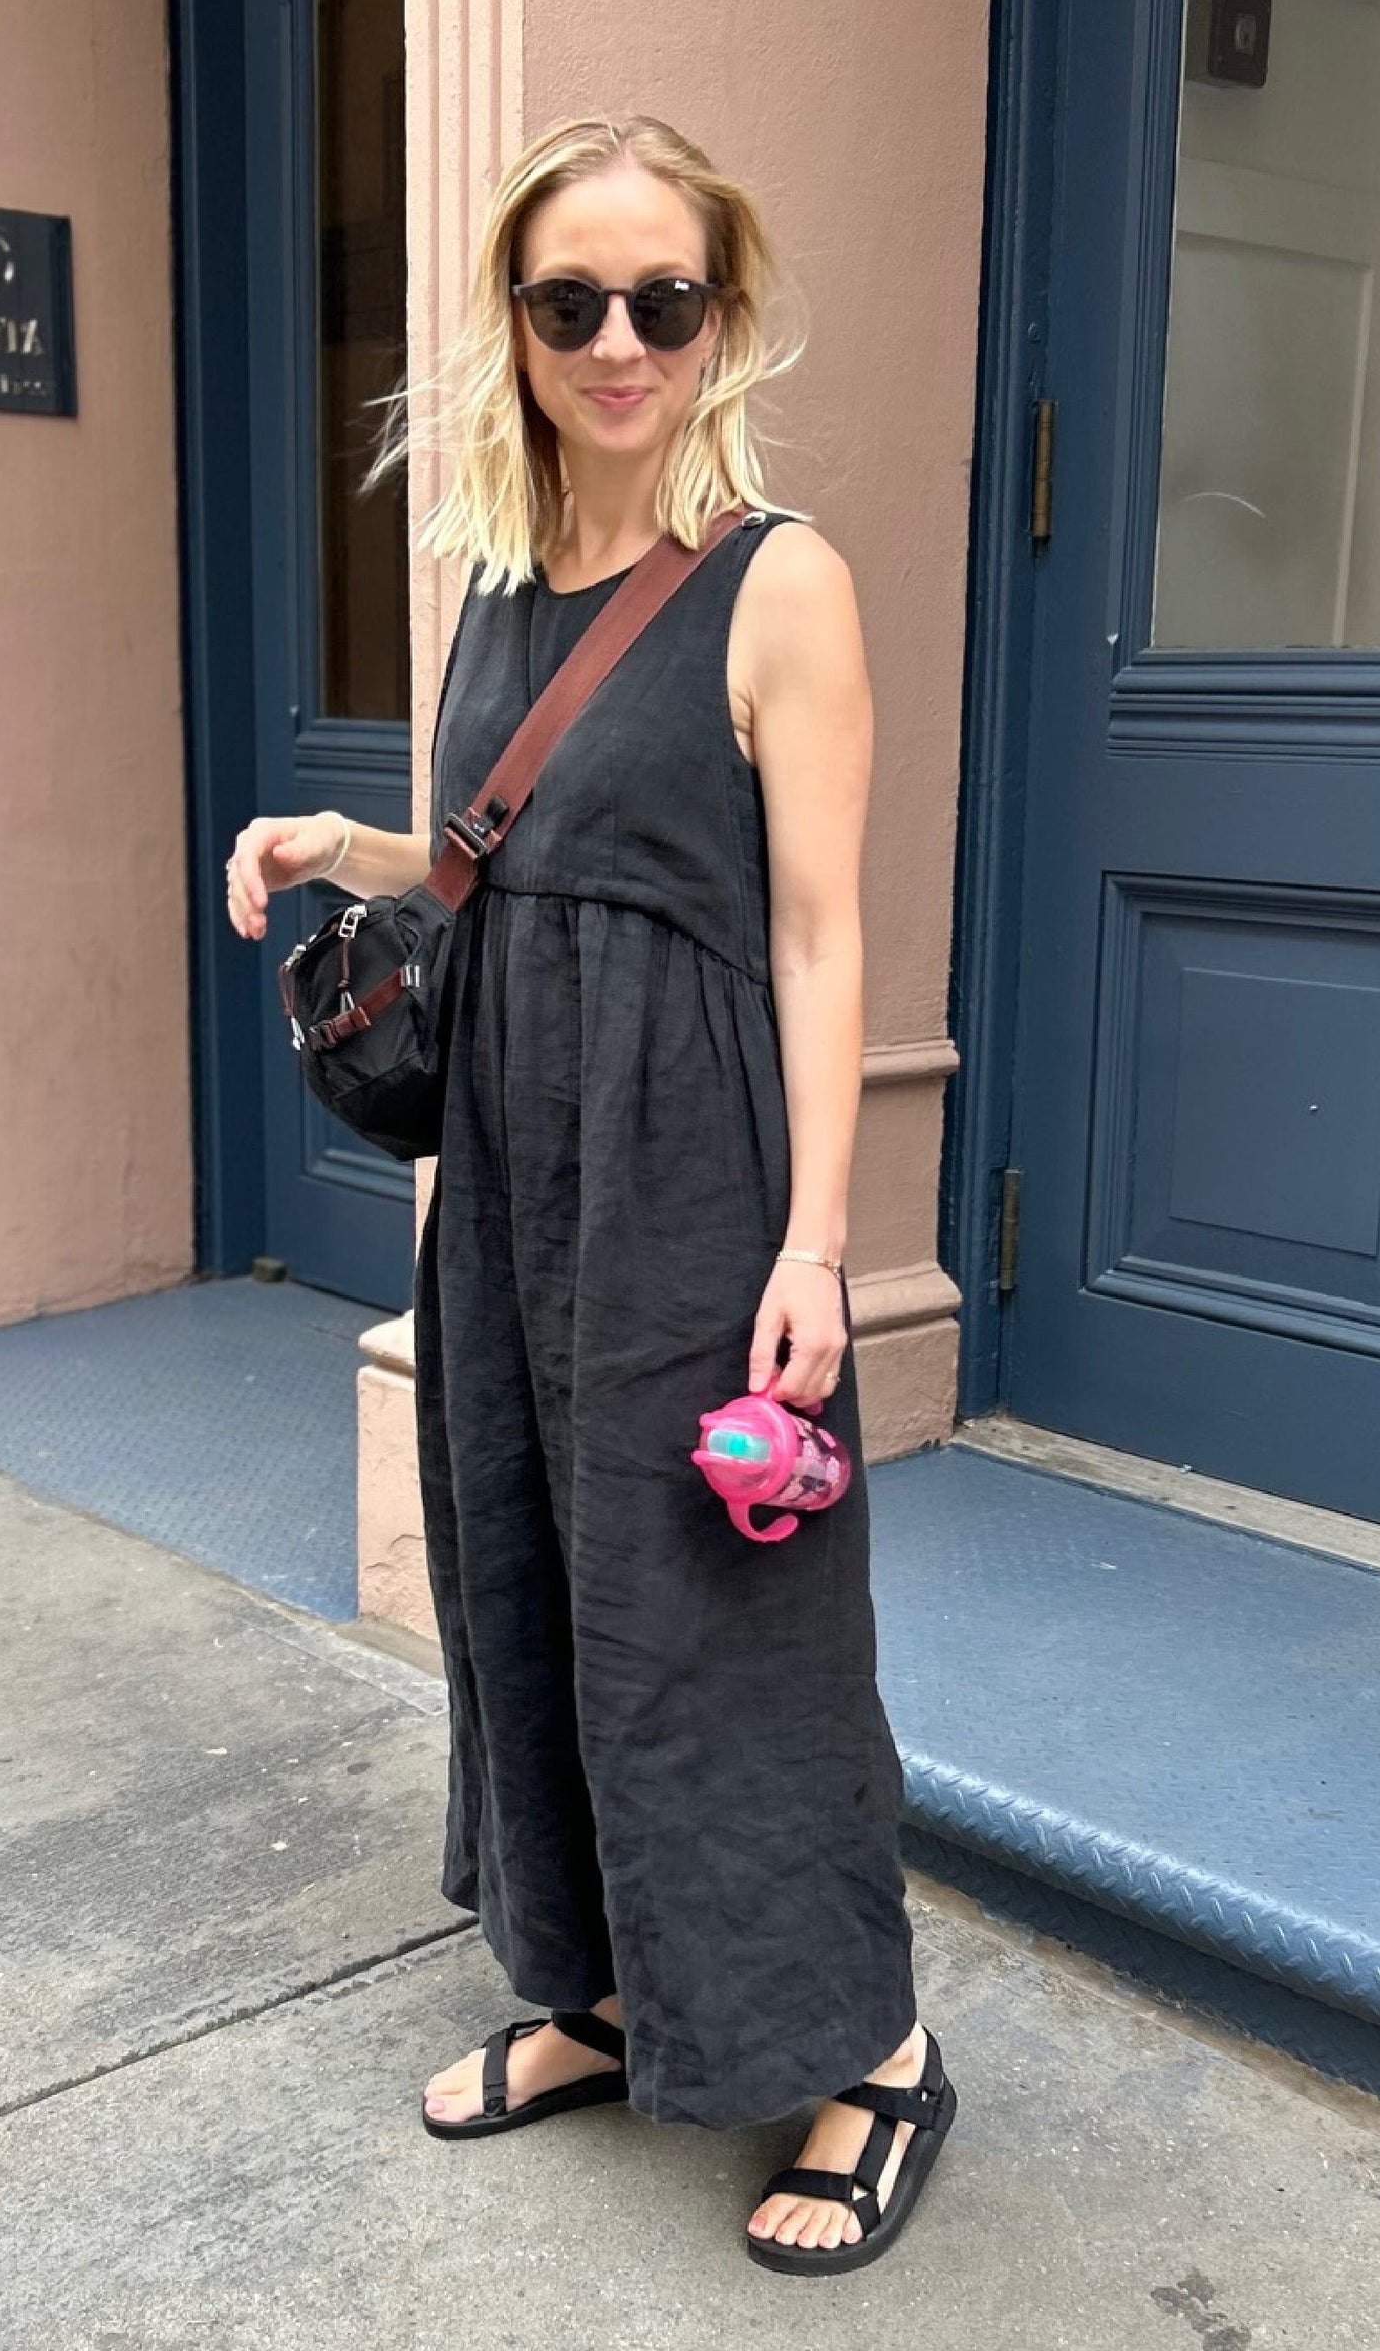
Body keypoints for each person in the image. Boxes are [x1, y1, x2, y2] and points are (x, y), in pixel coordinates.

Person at [225, 112, 956, 2274]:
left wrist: (815, 1243)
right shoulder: (490, 578)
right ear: (517, 325)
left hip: (697, 1180)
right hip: (512, 1180)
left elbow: (813, 934)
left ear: (721, 316)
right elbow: (511, 864)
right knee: (530, 1583)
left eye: (663, 298)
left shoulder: (777, 579)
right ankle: (607, 1991)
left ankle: (871, 2053)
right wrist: (346, 848)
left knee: (725, 1624)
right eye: (571, 301)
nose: (618, 340)